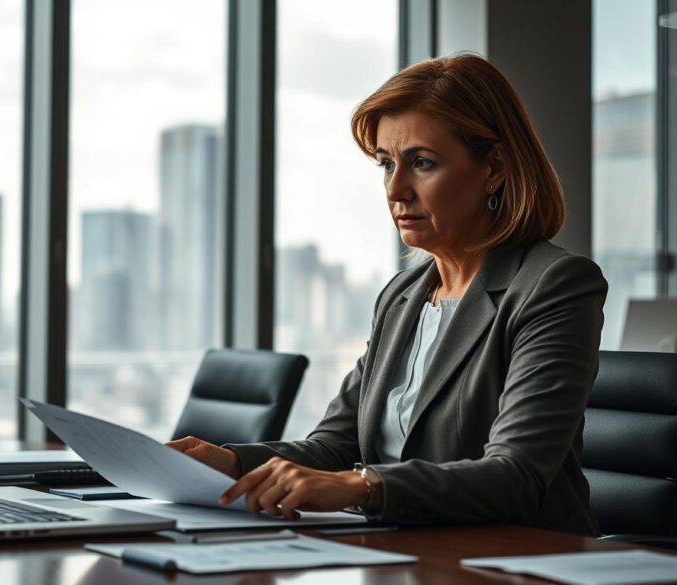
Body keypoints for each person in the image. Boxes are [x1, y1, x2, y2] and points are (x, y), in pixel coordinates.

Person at [167, 53, 607, 536]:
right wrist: (231, 462)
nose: (396, 190)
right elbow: (336, 446)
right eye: (386, 164)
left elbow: (516, 475)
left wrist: (365, 486)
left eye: (423, 163)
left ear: (494, 168)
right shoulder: (402, 296)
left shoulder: (554, 284)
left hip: (517, 556)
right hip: (402, 549)